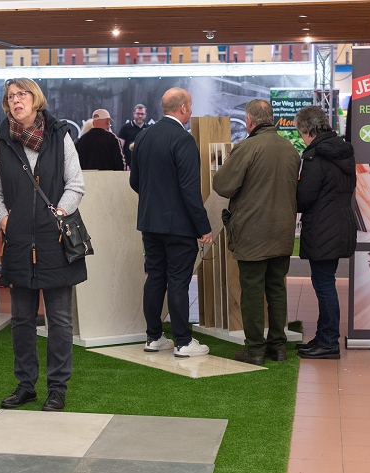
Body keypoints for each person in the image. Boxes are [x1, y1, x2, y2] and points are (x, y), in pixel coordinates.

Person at [0, 78, 86, 412]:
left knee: (60, 321)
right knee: (22, 320)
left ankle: (57, 388)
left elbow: (76, 184)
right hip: (18, 243)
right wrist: (6, 221)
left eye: (22, 94)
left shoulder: (60, 135)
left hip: (54, 241)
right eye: (10, 96)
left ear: (35, 99)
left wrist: (59, 214)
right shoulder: (1, 141)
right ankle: (26, 385)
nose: (16, 100)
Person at [212, 99, 299, 365]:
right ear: (271, 118)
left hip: (253, 231)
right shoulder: (290, 148)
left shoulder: (247, 147)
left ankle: (255, 349)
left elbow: (223, 185)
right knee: (277, 288)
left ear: (249, 121)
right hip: (282, 230)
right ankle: (278, 346)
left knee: (252, 291)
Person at [130, 88, 212, 358]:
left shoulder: (143, 136)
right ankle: (183, 342)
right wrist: (203, 226)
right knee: (178, 281)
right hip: (179, 226)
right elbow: (190, 190)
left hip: (149, 222)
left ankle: (154, 337)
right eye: (191, 105)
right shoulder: (183, 140)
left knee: (155, 277)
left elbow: (135, 181)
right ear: (184, 108)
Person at [292, 105, 356, 360]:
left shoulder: (315, 157)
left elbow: (304, 197)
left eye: (301, 133)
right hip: (341, 224)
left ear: (308, 130)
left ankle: (329, 342)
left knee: (324, 284)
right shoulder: (344, 152)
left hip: (323, 227)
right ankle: (323, 336)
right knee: (325, 282)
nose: (302, 138)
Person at [118, 104, 150, 169]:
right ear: (134, 114)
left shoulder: (149, 129)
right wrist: (124, 164)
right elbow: (119, 147)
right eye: (138, 114)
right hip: (129, 165)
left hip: (145, 165)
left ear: (145, 115)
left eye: (142, 114)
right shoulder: (125, 128)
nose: (140, 116)